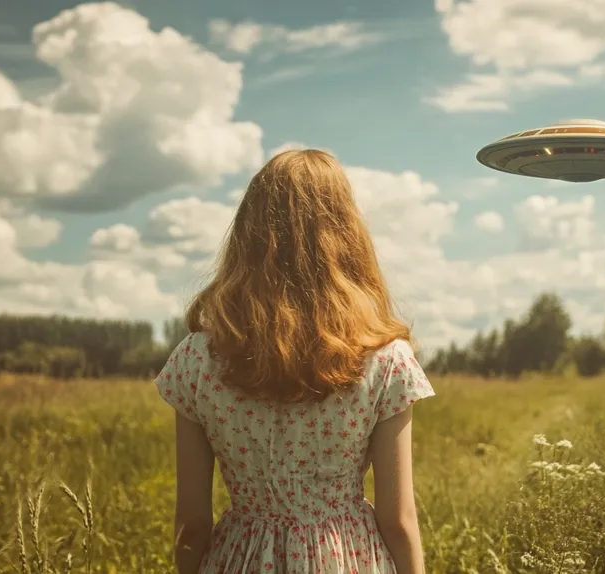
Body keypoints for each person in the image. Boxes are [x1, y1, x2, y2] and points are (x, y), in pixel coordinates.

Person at [155, 149, 435, 574]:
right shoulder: (386, 359)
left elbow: (192, 525)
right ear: (346, 234)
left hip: (238, 559)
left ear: (248, 235)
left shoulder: (197, 358)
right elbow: (397, 520)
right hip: (346, 559)